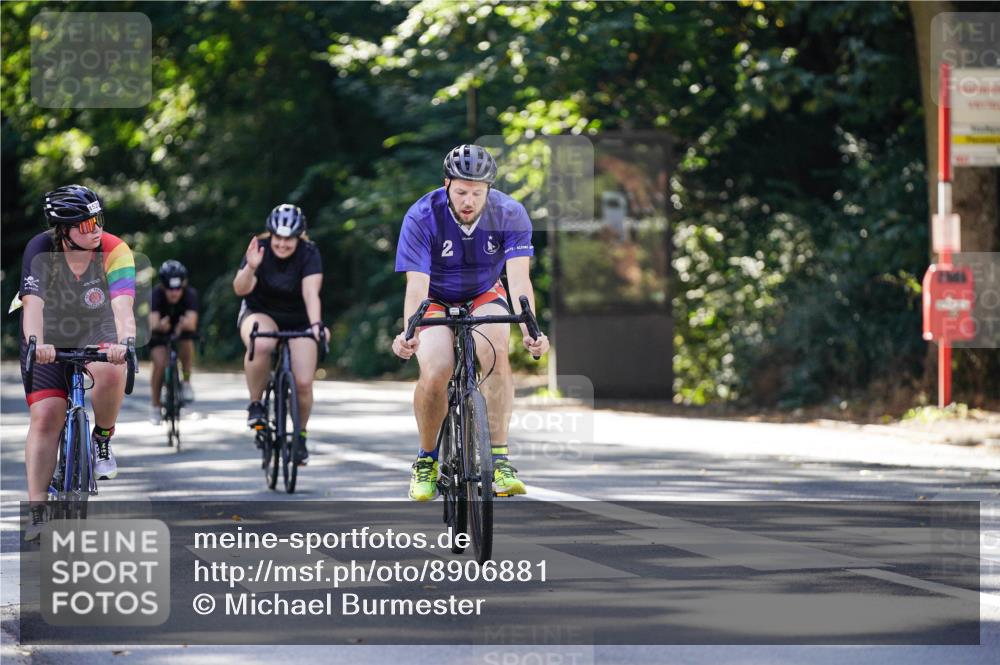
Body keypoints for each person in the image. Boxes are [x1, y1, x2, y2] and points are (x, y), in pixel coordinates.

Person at [391, 144, 550, 501]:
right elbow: (416, 287)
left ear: (489, 190)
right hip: (434, 298)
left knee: (495, 354)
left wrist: (532, 331)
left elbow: (520, 282)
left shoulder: (510, 213)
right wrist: (409, 334)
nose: (468, 200)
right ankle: (427, 459)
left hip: (483, 292)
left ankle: (500, 460)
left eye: (477, 193)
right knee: (437, 369)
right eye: (461, 191)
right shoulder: (422, 215)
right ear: (446, 184)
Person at [16, 185, 136, 540]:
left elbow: (123, 308)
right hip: (50, 329)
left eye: (97, 219)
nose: (94, 228)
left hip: (97, 324)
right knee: (46, 416)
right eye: (84, 224)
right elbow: (33, 305)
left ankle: (102, 438)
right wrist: (37, 344)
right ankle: (38, 509)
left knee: (112, 370)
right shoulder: (40, 248)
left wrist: (125, 342)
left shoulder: (116, 250)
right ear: (64, 231)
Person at [233, 204, 327, 464]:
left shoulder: (309, 253)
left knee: (304, 382)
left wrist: (317, 325)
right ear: (270, 234)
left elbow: (311, 293)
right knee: (261, 341)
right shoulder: (258, 248)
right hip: (261, 312)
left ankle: (300, 435)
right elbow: (240, 289)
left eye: (289, 239)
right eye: (278, 238)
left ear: (299, 238)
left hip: (299, 319)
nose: (283, 244)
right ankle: (256, 404)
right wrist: (251, 267)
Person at [148, 259, 199, 425]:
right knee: (160, 363)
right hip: (159, 334)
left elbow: (192, 322)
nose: (174, 293)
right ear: (163, 286)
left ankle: (186, 382)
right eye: (170, 288)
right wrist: (161, 326)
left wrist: (182, 326)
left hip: (181, 333)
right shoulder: (156, 294)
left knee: (187, 344)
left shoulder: (190, 294)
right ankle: (155, 406)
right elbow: (153, 323)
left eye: (178, 288)